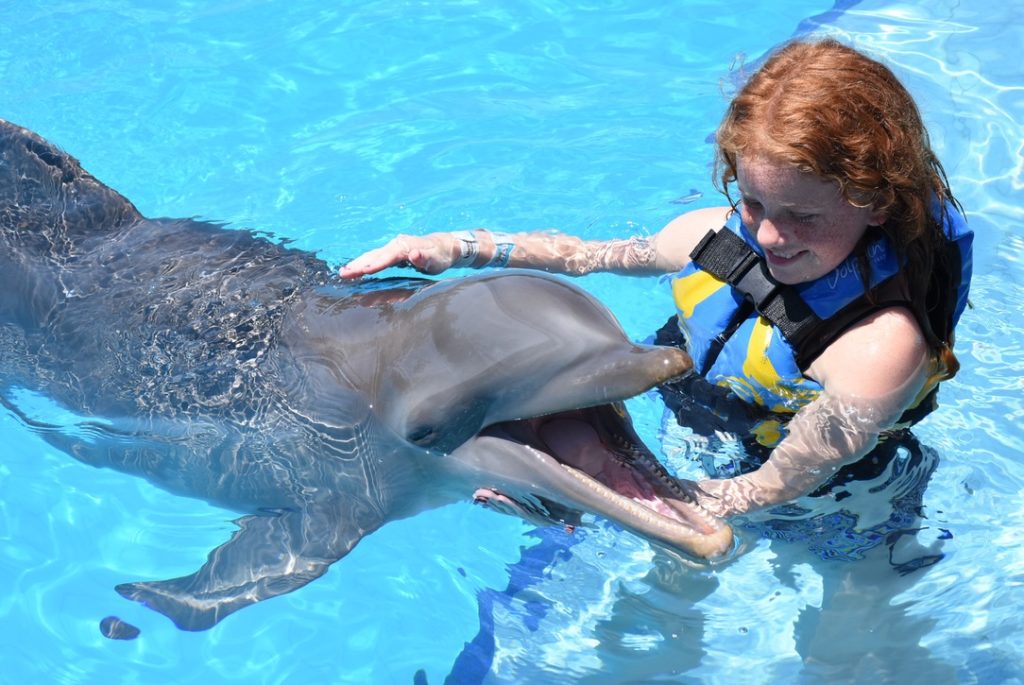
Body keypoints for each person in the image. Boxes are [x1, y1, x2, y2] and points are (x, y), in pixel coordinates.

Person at [339, 38, 973, 523]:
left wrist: (664, 507)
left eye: (803, 216)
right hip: (686, 401)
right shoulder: (715, 237)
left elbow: (776, 485)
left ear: (877, 203)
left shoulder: (877, 347)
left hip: (818, 478)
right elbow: (585, 257)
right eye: (753, 203)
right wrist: (453, 247)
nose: (769, 237)